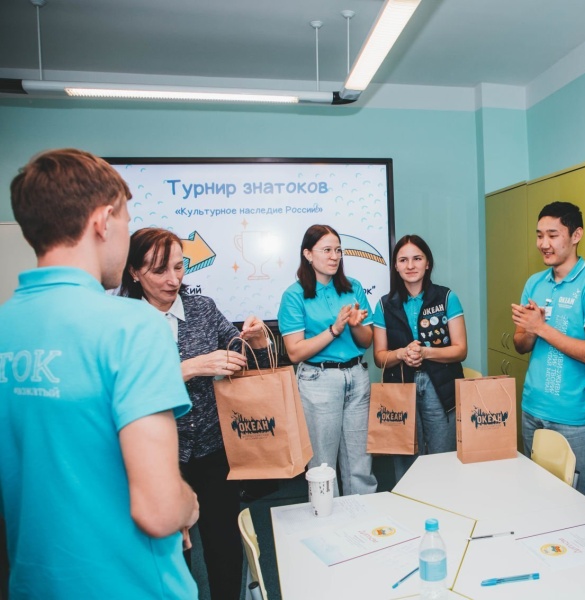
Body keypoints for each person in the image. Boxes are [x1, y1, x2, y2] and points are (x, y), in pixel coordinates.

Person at [0, 149, 199, 598]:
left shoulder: (5, 325)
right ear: (103, 220)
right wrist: (187, 504)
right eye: (127, 219)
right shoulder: (133, 326)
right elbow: (160, 511)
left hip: (33, 584)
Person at [118, 227, 270, 600]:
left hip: (214, 448)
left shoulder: (202, 308)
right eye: (159, 271)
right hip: (157, 457)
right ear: (134, 272)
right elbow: (122, 389)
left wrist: (256, 342)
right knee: (171, 553)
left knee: (224, 546)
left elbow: (242, 356)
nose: (173, 280)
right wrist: (189, 368)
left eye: (179, 267)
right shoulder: (122, 321)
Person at [512, 201, 585, 508]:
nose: (543, 243)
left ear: (576, 235)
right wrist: (531, 329)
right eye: (539, 235)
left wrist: (541, 328)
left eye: (553, 235)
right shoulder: (535, 283)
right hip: (532, 409)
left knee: (584, 507)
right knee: (540, 503)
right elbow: (520, 344)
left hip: (574, 418)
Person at [278, 224, 377, 496]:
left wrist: (355, 325)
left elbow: (366, 341)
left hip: (356, 376)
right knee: (323, 465)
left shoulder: (353, 287)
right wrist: (334, 329)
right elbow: (295, 352)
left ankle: (363, 517)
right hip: (318, 380)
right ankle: (326, 518)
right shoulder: (294, 295)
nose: (334, 256)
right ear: (308, 254)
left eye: (338, 250)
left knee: (360, 462)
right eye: (327, 250)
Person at [372, 235, 467, 481]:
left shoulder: (447, 298)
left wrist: (425, 352)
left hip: (440, 386)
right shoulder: (383, 305)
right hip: (401, 388)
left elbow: (460, 350)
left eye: (417, 258)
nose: (410, 265)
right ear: (395, 266)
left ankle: (442, 501)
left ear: (428, 263)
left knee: (442, 457)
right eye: (403, 260)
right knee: (405, 459)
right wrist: (402, 354)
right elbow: (379, 358)